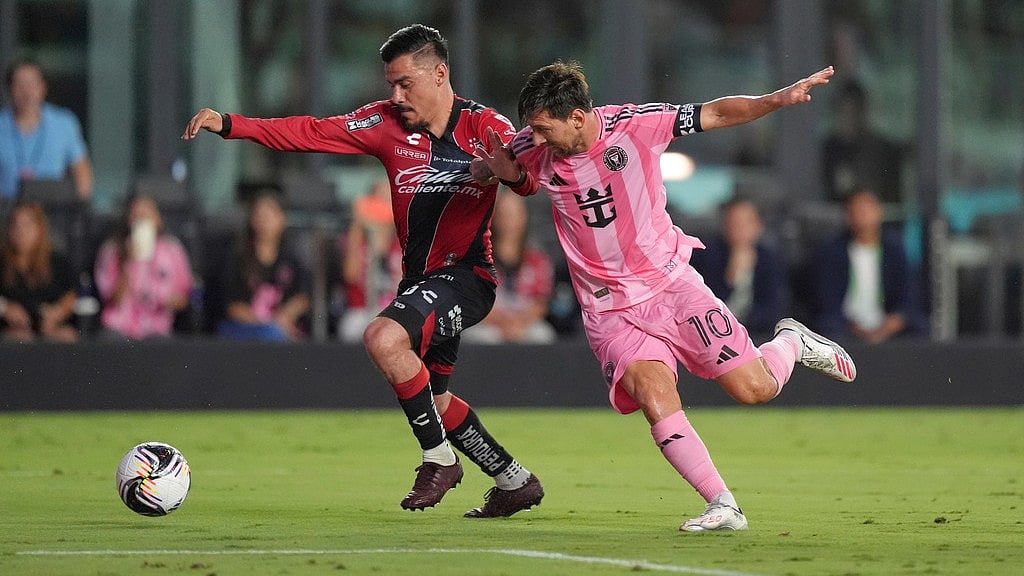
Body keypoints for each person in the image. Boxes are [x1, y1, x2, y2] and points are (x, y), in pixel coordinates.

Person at [473, 61, 857, 532]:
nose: (534, 138)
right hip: (608, 309)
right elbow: (508, 173)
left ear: (576, 117)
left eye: (542, 128)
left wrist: (775, 99)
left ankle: (792, 342)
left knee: (754, 389)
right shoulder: (532, 145)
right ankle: (723, 504)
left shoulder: (636, 125)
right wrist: (494, 173)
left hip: (671, 286)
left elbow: (716, 113)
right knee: (653, 394)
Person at [182, 24, 544, 517]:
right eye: (390, 84)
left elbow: (529, 180)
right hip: (420, 283)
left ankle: (439, 460)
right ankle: (514, 480)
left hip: (467, 278)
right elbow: (311, 132)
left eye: (405, 83)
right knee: (436, 401)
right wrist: (230, 124)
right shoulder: (385, 122)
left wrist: (511, 174)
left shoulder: (486, 127)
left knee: (382, 338)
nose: (395, 96)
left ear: (440, 74)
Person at [810, 187, 926, 343]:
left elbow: (908, 295)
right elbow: (827, 300)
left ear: (879, 212)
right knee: (826, 327)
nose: (862, 215)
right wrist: (854, 327)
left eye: (866, 210)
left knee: (920, 328)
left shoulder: (895, 249)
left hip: (886, 323)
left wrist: (891, 324)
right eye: (856, 211)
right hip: (845, 325)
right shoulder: (831, 251)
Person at [93, 193, 194, 340]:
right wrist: (128, 263)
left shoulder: (173, 251)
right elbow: (113, 300)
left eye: (146, 215)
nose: (141, 220)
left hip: (157, 328)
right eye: (136, 216)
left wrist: (165, 299)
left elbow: (184, 298)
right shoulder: (111, 250)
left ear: (158, 220)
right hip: (118, 327)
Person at [461, 190, 556, 344]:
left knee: (542, 335)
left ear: (524, 217)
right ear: (494, 217)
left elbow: (541, 302)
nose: (509, 221)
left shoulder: (537, 260)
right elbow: (473, 299)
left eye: (514, 215)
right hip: (488, 322)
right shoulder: (478, 258)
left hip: (524, 323)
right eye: (504, 215)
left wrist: (519, 322)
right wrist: (501, 322)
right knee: (479, 336)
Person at [216, 191, 311, 341]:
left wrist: (286, 314)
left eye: (269, 215)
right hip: (242, 329)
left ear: (282, 220)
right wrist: (269, 324)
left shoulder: (291, 259)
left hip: (281, 329)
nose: (264, 221)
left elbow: (303, 297)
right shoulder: (237, 258)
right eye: (259, 215)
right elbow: (232, 306)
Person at [689, 197, 789, 335]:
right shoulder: (707, 256)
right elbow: (703, 308)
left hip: (757, 333)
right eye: (734, 224)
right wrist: (730, 278)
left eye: (745, 224)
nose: (740, 230)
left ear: (758, 226)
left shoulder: (770, 258)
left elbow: (773, 309)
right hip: (714, 332)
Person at [0, 57, 93, 200]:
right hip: (8, 208)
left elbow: (82, 173)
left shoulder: (63, 123)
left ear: (43, 87)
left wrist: (77, 205)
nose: (27, 92)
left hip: (53, 207)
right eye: (20, 85)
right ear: (10, 88)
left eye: (32, 84)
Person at [0, 200, 77, 342]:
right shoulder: (2, 262)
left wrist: (56, 313)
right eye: (15, 225)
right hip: (11, 333)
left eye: (27, 225)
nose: (20, 231)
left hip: (50, 329)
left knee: (67, 337)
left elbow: (71, 295)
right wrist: (5, 309)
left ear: (40, 228)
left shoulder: (57, 262)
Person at [337, 179, 403, 343]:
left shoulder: (404, 241)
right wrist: (358, 227)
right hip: (360, 311)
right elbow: (351, 276)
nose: (384, 204)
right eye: (378, 199)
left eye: (389, 198)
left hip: (396, 311)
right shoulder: (355, 239)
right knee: (351, 327)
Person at [822, 80, 903, 204]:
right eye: (843, 112)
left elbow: (892, 200)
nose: (848, 119)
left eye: (853, 112)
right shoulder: (829, 149)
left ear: (862, 112)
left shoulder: (882, 150)